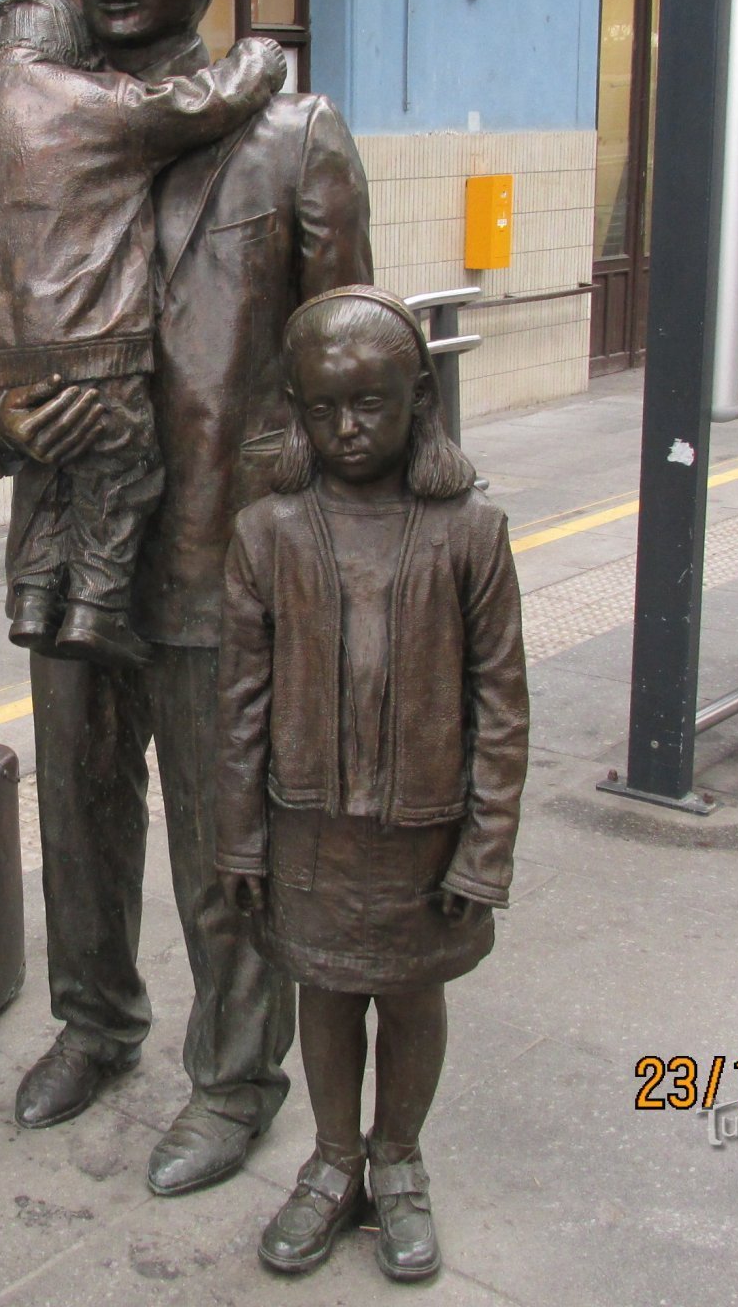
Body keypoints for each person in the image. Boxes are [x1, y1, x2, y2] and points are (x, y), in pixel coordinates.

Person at [0, 0, 372, 1196]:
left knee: (226, 831)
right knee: (81, 805)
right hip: (70, 531)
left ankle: (234, 1080)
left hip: (224, 549)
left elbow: (361, 362)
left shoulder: (295, 137)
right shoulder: (24, 117)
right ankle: (94, 1023)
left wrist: (373, 569)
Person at [214, 286, 528, 1281]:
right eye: (324, 408)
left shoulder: (470, 530)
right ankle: (333, 1156)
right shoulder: (267, 532)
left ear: (417, 402)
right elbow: (240, 706)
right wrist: (238, 836)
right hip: (307, 828)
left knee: (412, 990)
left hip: (426, 836)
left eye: (372, 405)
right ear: (296, 410)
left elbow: (502, 706)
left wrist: (485, 852)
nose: (348, 428)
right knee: (327, 985)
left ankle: (396, 1160)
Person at [0, 0, 288, 668]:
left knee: (47, 469)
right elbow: (209, 101)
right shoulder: (98, 102)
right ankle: (92, 609)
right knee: (124, 467)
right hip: (94, 346)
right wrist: (258, 55)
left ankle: (30, 597)